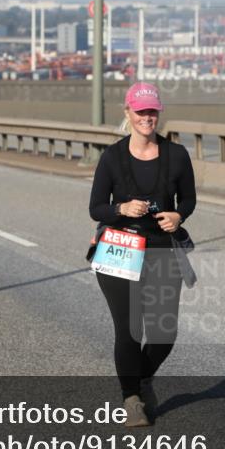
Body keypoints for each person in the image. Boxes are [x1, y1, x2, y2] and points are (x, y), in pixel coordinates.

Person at [88, 82, 196, 428]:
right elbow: (96, 208)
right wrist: (121, 207)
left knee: (164, 333)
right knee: (129, 330)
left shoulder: (177, 155)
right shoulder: (112, 157)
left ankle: (142, 378)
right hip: (121, 249)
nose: (147, 118)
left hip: (163, 251)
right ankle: (131, 398)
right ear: (128, 114)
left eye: (152, 112)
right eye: (140, 112)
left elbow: (189, 200)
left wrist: (178, 216)